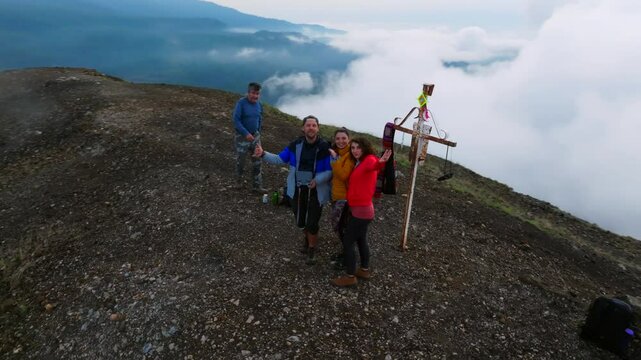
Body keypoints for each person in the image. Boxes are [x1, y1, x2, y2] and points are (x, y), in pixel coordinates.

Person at [254, 115, 332, 264]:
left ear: (318, 128)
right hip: (297, 189)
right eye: (308, 125)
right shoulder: (295, 145)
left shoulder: (324, 147)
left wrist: (317, 180)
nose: (311, 128)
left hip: (316, 190)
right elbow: (279, 159)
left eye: (314, 125)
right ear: (303, 128)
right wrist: (263, 154)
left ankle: (311, 249)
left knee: (312, 223)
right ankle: (307, 238)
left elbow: (329, 171)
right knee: (300, 221)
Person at [331, 137, 391, 287]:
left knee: (348, 241)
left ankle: (350, 276)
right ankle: (364, 269)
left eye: (358, 147)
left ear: (364, 148)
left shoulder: (369, 159)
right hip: (362, 210)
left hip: (362, 211)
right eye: (353, 148)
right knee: (361, 239)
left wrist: (381, 162)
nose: (355, 150)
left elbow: (375, 165)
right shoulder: (359, 163)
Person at [328, 128, 355, 267]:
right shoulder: (339, 153)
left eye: (343, 138)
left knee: (339, 225)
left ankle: (348, 257)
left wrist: (334, 159)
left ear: (348, 139)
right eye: (338, 138)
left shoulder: (350, 155)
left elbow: (343, 175)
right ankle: (346, 252)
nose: (341, 141)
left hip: (345, 198)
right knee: (340, 226)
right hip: (337, 196)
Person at [233, 82, 266, 192]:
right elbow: (236, 120)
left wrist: (258, 132)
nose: (255, 96)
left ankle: (257, 186)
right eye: (253, 93)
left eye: (257, 94)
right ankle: (238, 182)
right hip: (242, 137)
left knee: (258, 161)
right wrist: (245, 133)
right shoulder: (241, 103)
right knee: (241, 161)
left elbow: (260, 119)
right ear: (248, 92)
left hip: (255, 136)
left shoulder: (259, 104)